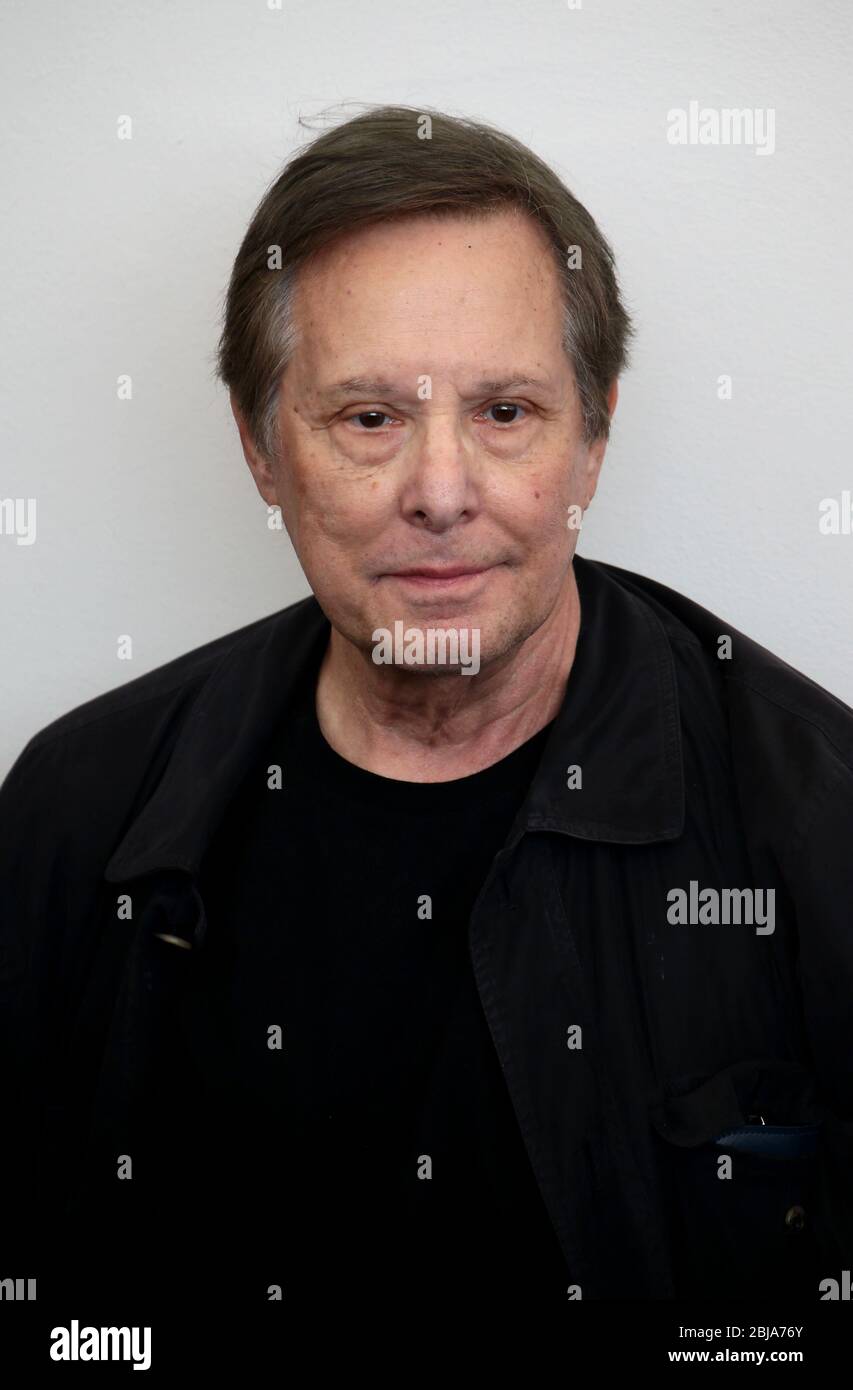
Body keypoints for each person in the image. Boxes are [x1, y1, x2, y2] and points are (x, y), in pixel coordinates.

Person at [2, 104, 851, 1314]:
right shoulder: (76, 808)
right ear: (258, 448)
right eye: (369, 418)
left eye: (505, 413)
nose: (440, 493)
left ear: (595, 437)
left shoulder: (820, 816)